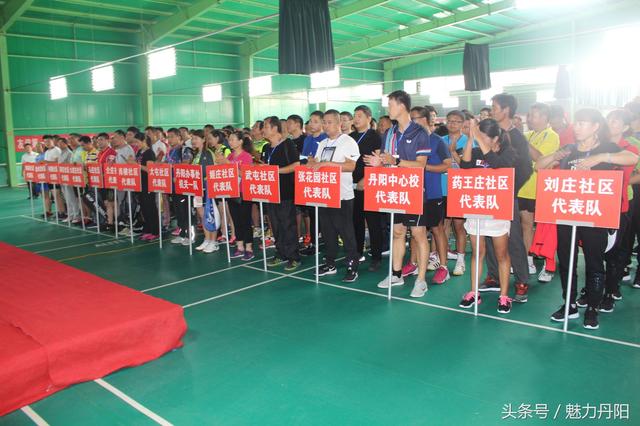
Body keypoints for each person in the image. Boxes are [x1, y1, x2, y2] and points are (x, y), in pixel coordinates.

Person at [536, 108, 638, 330]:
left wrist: (601, 157)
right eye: (577, 122)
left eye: (583, 123)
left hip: (594, 214)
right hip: (566, 212)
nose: (577, 127)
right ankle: (569, 304)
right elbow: (539, 166)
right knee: (567, 260)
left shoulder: (606, 148)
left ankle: (592, 307)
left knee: (594, 262)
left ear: (595, 127)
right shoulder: (569, 149)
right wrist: (555, 156)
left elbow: (633, 157)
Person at [365, 90, 431, 298]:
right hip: (394, 190)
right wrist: (378, 162)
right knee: (398, 232)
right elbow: (386, 160)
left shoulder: (420, 133)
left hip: (414, 190)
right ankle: (396, 274)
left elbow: (421, 166)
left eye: (391, 104)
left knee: (419, 234)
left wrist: (395, 162)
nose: (388, 108)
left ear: (402, 106)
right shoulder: (389, 134)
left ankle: (421, 280)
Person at [479, 94, 532, 304]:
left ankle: (521, 280)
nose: (492, 110)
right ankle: (493, 275)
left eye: (495, 107)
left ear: (506, 110)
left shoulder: (516, 137)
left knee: (513, 239)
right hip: (487, 194)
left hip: (506, 194)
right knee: (490, 236)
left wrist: (509, 188)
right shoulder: (488, 133)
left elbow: (526, 168)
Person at [459, 119, 516, 314]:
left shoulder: (508, 153)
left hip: (497, 210)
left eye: (484, 137)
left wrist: (480, 139)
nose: (479, 141)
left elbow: (497, 165)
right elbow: (465, 165)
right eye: (478, 137)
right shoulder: (475, 151)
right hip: (476, 208)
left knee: (501, 254)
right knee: (477, 253)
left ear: (496, 138)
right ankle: (474, 292)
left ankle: (504, 295)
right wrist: (470, 139)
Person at [310, 109, 360, 282]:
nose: (325, 125)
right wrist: (313, 164)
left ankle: (352, 265)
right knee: (328, 231)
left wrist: (326, 164)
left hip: (342, 195)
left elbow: (350, 166)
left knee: (346, 232)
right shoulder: (322, 143)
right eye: (324, 121)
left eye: (329, 122)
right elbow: (317, 164)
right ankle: (330, 262)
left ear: (339, 124)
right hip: (325, 195)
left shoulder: (348, 141)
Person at [408, 106, 452, 286]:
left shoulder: (437, 141)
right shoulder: (410, 140)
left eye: (415, 118)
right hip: (413, 190)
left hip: (432, 192)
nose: (411, 122)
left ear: (426, 119)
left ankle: (443, 267)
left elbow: (447, 165)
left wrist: (422, 167)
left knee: (437, 228)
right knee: (414, 229)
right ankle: (413, 263)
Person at [519, 103, 560, 281]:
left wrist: (524, 143)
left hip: (543, 189)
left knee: (547, 229)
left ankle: (549, 265)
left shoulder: (552, 136)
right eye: (529, 115)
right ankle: (528, 260)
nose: (529, 119)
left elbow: (542, 160)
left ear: (545, 117)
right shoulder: (527, 134)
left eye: (533, 115)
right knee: (526, 225)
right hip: (524, 188)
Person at [262, 116, 301, 271]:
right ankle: (281, 253)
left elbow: (296, 165)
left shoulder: (287, 144)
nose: (263, 129)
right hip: (270, 192)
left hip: (285, 192)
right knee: (275, 225)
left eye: (265, 126)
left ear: (274, 128)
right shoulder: (266, 147)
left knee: (288, 224)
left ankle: (294, 256)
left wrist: (276, 171)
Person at [350, 105, 384, 272]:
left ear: (369, 119)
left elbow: (378, 160)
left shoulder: (375, 136)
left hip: (369, 184)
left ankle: (376, 256)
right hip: (351, 184)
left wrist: (366, 178)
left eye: (359, 116)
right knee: (355, 220)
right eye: (354, 116)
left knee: (373, 222)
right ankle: (357, 253)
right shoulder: (350, 137)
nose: (356, 119)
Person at [216, 131, 255, 260]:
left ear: (240, 141)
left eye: (233, 139)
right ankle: (240, 247)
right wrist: (220, 163)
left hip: (244, 193)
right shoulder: (231, 156)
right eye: (229, 140)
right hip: (232, 192)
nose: (230, 142)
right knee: (236, 220)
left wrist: (227, 164)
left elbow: (244, 174)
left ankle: (249, 248)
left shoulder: (246, 156)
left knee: (245, 221)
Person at [442, 110, 470, 277]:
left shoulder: (469, 142)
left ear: (462, 124)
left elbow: (468, 167)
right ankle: (442, 257)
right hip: (443, 187)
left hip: (460, 188)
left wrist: (453, 152)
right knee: (443, 224)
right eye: (450, 121)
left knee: (459, 226)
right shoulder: (440, 141)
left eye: (456, 121)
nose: (452, 124)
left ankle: (460, 260)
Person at [299, 111, 327, 256]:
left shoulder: (325, 139)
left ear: (323, 123)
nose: (311, 124)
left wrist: (314, 161)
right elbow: (303, 158)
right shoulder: (307, 139)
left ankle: (321, 242)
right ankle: (314, 242)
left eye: (315, 121)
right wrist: (307, 161)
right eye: (310, 121)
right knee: (311, 212)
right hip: (309, 179)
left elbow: (322, 160)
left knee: (321, 214)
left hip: (322, 181)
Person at [191, 129, 219, 253]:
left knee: (210, 215)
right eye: (193, 139)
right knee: (202, 215)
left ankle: (214, 241)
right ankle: (207, 240)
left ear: (203, 140)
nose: (193, 141)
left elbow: (211, 171)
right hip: (197, 189)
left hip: (207, 189)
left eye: (196, 138)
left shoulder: (208, 154)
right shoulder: (196, 154)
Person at [131, 133, 159, 241]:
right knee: (144, 209)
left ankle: (155, 231)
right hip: (140, 184)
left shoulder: (149, 153)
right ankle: (147, 229)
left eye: (137, 142)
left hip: (148, 184)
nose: (136, 144)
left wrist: (136, 165)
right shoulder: (139, 152)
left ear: (144, 141)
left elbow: (149, 169)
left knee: (150, 208)